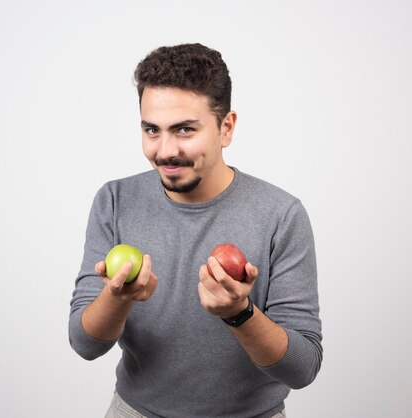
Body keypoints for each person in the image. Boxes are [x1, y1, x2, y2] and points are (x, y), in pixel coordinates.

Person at [69, 43, 323, 418]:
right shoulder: (115, 200)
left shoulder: (281, 215)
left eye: (185, 129)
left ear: (226, 127)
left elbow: (302, 368)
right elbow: (84, 343)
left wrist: (239, 314)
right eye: (151, 129)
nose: (166, 150)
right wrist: (117, 299)